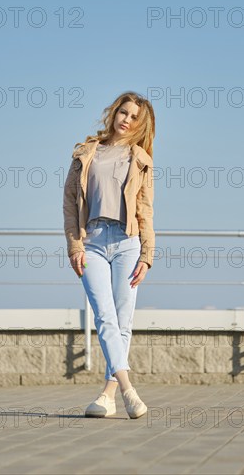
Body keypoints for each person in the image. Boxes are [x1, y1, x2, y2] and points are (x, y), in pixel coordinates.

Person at [63, 91, 155, 419]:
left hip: (128, 241)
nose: (126, 120)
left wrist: (147, 254)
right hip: (93, 241)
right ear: (114, 113)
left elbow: (145, 209)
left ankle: (108, 395)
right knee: (104, 316)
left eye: (134, 117)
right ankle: (129, 389)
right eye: (123, 112)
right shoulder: (86, 153)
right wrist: (75, 245)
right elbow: (70, 204)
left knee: (123, 319)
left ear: (140, 124)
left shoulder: (140, 159)